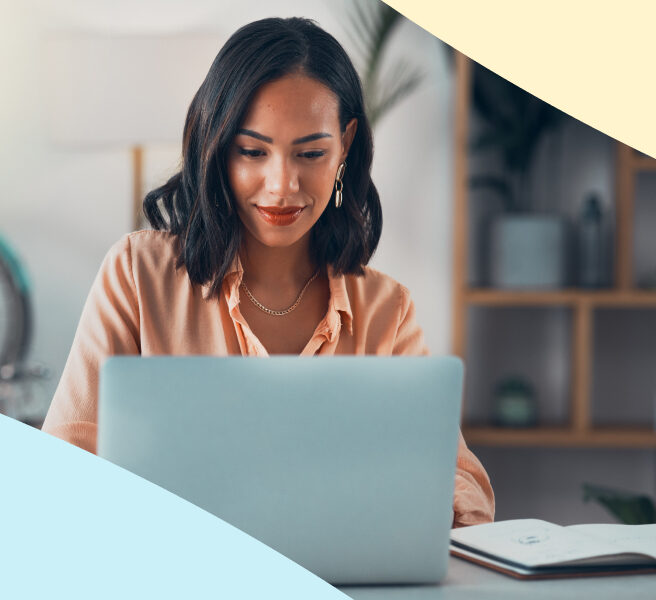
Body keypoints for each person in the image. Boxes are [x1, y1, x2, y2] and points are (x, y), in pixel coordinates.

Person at [43, 17, 494, 527]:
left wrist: (421, 501)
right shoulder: (137, 275)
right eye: (252, 152)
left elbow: (464, 483)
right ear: (217, 146)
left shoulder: (385, 310)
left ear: (345, 147)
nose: (281, 186)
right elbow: (62, 466)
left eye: (311, 153)